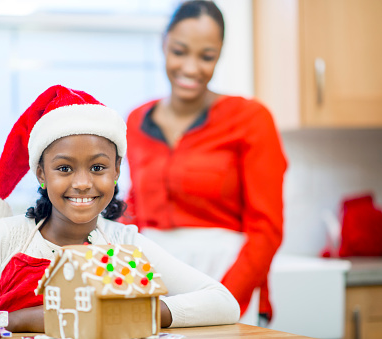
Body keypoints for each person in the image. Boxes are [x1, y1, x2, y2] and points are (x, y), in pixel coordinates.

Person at [0, 85, 240, 332]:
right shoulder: (6, 238)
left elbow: (223, 302)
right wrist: (22, 320)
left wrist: (131, 314)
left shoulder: (125, 245)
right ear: (41, 174)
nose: (83, 183)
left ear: (117, 170)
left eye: (98, 167)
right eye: (64, 168)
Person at [121, 0, 287, 323]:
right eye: (180, 51)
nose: (191, 67)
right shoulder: (136, 121)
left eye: (206, 56)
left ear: (220, 54)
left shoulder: (251, 119)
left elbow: (266, 230)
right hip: (154, 283)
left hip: (228, 280)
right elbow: (135, 206)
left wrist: (221, 301)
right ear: (163, 43)